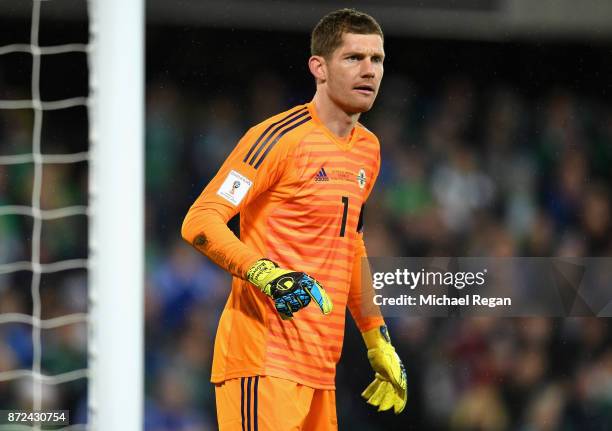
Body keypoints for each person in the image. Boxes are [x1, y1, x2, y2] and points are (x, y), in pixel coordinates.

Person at [182, 8, 407, 430]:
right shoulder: (277, 139)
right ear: (318, 67)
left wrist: (376, 337)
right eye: (353, 58)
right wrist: (264, 273)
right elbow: (201, 219)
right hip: (262, 360)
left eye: (376, 59)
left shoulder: (368, 150)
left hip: (321, 368)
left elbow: (349, 242)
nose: (369, 71)